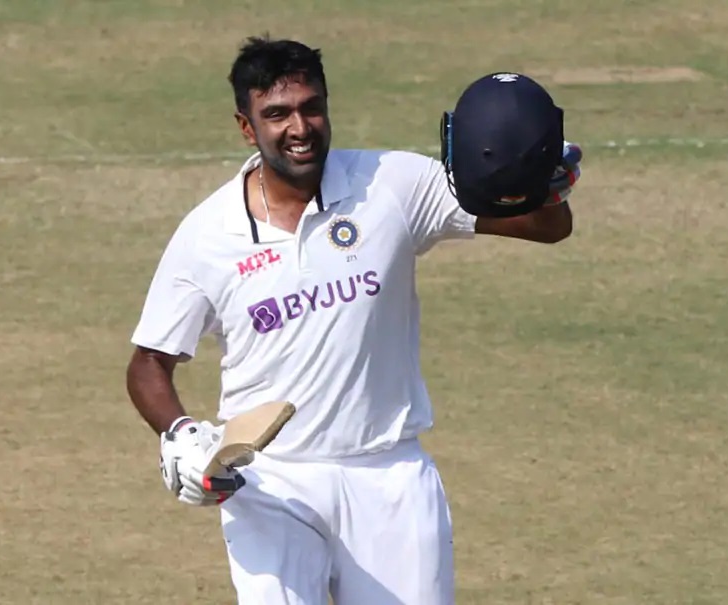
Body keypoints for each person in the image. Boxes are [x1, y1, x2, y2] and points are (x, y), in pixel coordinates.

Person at [126, 35, 580, 605]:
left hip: (389, 477)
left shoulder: (392, 185)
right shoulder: (206, 236)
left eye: (311, 107)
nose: (300, 127)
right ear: (247, 127)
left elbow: (543, 227)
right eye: (277, 114)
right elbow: (149, 362)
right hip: (271, 483)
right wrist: (182, 435)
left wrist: (544, 186)